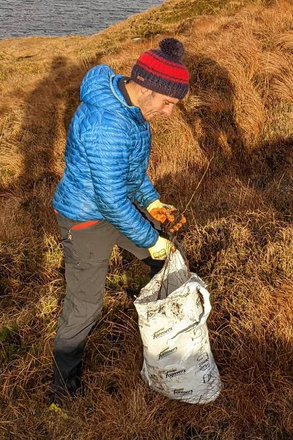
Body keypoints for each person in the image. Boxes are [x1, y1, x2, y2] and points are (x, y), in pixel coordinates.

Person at [50, 38, 189, 399]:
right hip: (86, 221)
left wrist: (153, 202)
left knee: (167, 259)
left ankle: (165, 334)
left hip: (116, 209)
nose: (169, 112)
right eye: (168, 103)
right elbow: (110, 199)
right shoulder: (106, 124)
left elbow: (130, 172)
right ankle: (63, 391)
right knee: (85, 307)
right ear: (145, 87)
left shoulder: (133, 111)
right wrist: (150, 239)